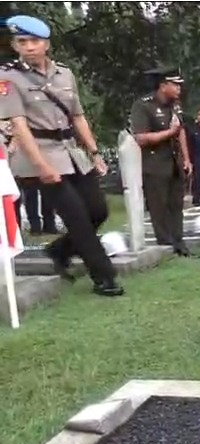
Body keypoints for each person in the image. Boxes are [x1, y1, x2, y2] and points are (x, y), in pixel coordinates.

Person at [0, 15, 123, 296]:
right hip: (39, 155)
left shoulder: (64, 74)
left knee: (98, 211)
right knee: (76, 217)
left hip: (71, 152)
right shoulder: (8, 77)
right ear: (15, 45)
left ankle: (59, 250)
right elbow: (19, 126)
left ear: (46, 44)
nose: (29, 47)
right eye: (22, 42)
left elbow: (77, 116)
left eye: (34, 41)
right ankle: (104, 277)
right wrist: (41, 165)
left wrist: (94, 152)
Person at [129, 66, 194, 257]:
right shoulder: (143, 106)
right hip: (155, 164)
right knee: (159, 208)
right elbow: (141, 138)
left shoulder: (175, 105)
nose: (179, 89)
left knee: (176, 206)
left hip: (174, 163)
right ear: (163, 86)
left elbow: (180, 130)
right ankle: (166, 246)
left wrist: (186, 158)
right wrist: (169, 133)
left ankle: (180, 244)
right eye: (175, 85)